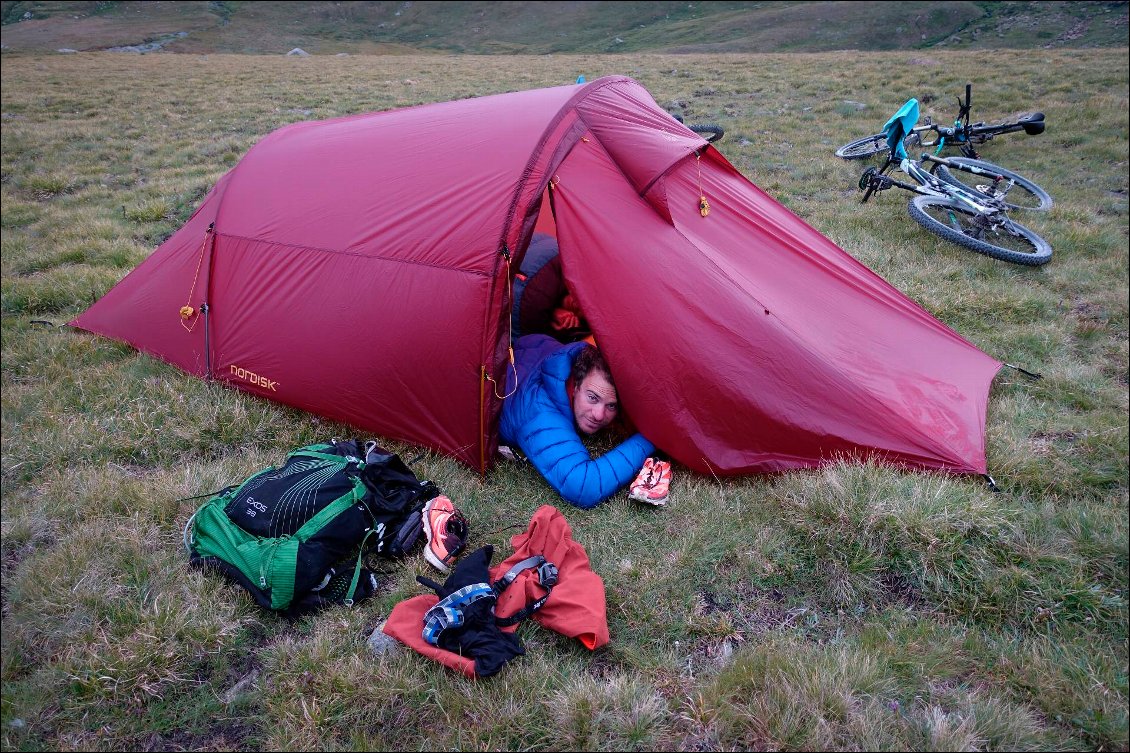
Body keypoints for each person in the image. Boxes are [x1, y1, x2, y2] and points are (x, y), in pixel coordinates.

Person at [499, 334, 671, 509]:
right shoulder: (538, 412)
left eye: (611, 406)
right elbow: (583, 485)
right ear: (575, 385)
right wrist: (651, 436)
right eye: (592, 398)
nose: (598, 415)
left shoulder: (579, 360)